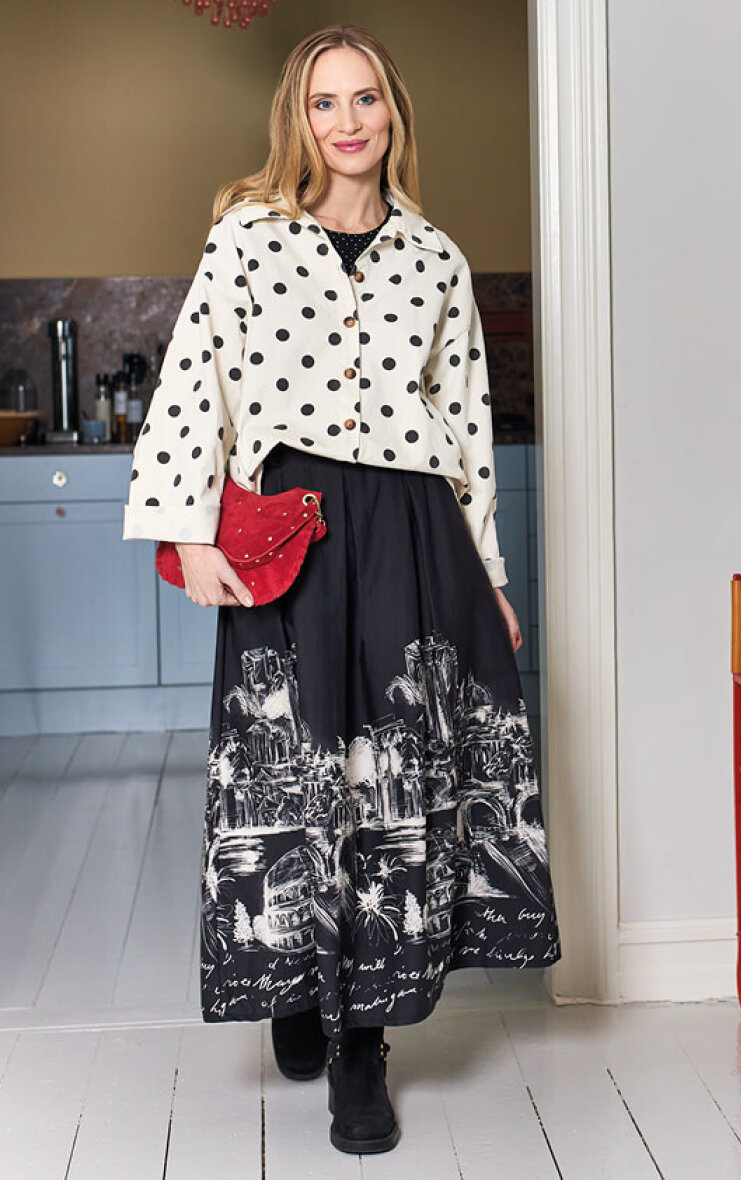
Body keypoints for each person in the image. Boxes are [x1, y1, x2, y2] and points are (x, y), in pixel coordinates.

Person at [123, 22, 560, 1156]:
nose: (349, 121)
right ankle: (293, 974)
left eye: (366, 98)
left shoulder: (437, 258)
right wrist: (186, 532)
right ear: (299, 119)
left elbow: (467, 428)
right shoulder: (247, 237)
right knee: (294, 763)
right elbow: (192, 382)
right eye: (326, 102)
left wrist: (489, 577)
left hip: (413, 531)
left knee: (388, 776)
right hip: (292, 528)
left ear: (393, 111)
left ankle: (361, 1041)